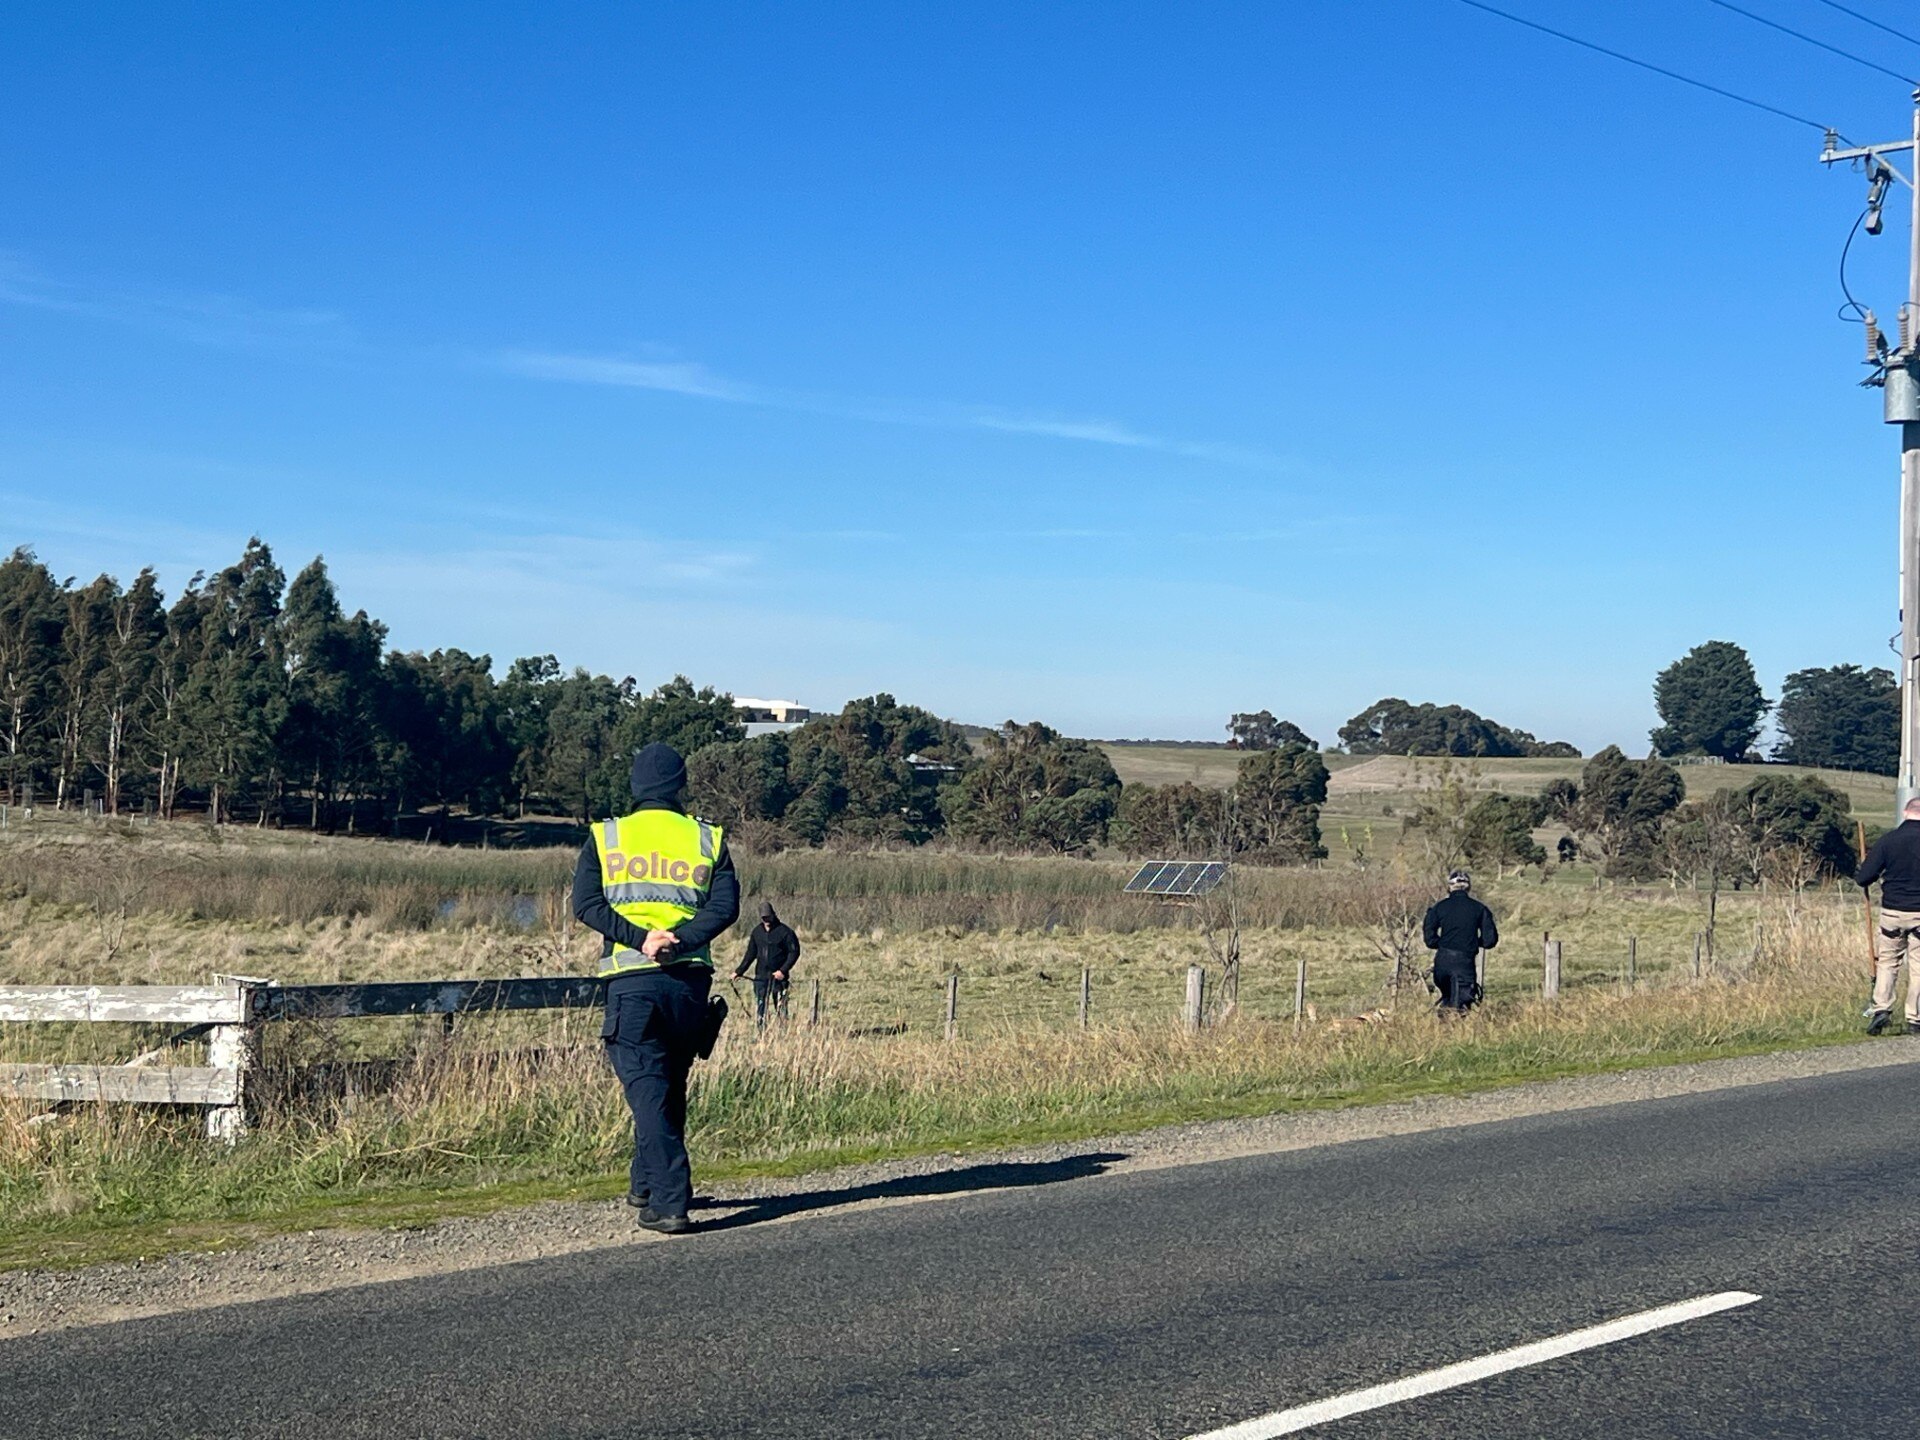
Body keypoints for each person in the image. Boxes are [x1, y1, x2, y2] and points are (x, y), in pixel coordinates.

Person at [572, 741, 740, 1234]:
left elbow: (586, 905)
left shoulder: (608, 837)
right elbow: (724, 907)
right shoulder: (707, 840)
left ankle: (669, 1201)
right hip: (688, 982)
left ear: (636, 786)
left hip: (632, 981)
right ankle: (645, 1185)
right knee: (667, 1085)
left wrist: (642, 940)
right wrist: (681, 939)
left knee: (646, 1089)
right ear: (680, 787)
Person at [1855, 797, 1920, 1035]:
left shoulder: (1888, 841)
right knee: (1919, 966)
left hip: (1892, 911)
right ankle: (1915, 1017)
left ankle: (1881, 1008)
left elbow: (1864, 878)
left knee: (1887, 962)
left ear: (1905, 812)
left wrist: (1861, 869)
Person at [1422, 869, 1498, 1013]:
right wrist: (1475, 941)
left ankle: (1442, 1028)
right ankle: (1455, 1031)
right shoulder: (1480, 908)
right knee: (1461, 1007)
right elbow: (1490, 940)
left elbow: (1429, 938)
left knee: (1448, 999)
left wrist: (1441, 943)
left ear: (1449, 887)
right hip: (1464, 962)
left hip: (1442, 962)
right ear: (1468, 887)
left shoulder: (1439, 907)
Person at [733, 900, 801, 1025]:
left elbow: (794, 953)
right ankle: (761, 1034)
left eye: (768, 917)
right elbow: (750, 954)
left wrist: (783, 970)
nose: (767, 920)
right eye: (764, 918)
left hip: (779, 978)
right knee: (761, 1009)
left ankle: (783, 1034)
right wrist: (739, 971)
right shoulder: (756, 932)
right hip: (760, 978)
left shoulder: (785, 932)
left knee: (781, 1009)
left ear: (774, 914)